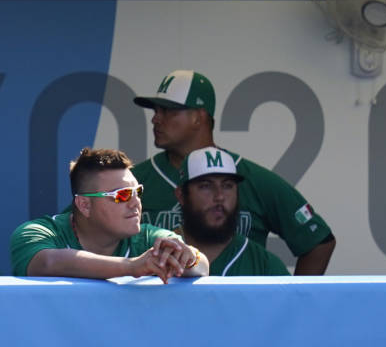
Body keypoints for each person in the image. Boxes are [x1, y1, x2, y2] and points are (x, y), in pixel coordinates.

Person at [131, 70, 336, 275]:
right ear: (181, 194)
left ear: (198, 117)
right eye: (156, 111)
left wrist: (295, 301)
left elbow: (318, 241)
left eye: (168, 111)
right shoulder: (133, 180)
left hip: (243, 303)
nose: (156, 119)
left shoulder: (252, 178)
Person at [10, 147, 207, 282]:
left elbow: (202, 266)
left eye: (137, 192)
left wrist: (188, 258)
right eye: (121, 195)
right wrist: (131, 267)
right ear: (84, 205)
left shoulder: (147, 238)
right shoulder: (39, 231)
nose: (135, 203)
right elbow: (46, 263)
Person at [175, 147, 289, 276]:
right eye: (206, 186)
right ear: (181, 196)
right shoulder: (160, 255)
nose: (219, 196)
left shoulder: (264, 265)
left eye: (227, 186)